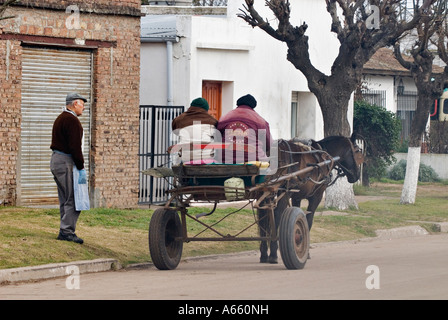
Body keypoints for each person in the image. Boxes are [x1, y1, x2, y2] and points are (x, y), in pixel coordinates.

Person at [50, 92, 87, 244]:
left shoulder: (61, 118)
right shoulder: (71, 120)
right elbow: (75, 147)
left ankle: (64, 229)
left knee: (65, 198)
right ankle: (66, 231)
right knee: (73, 198)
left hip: (57, 160)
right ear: (75, 103)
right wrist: (81, 166)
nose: (84, 107)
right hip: (66, 161)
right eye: (82, 104)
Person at [217, 94, 272, 164]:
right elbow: (268, 144)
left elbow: (217, 138)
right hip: (253, 160)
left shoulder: (224, 118)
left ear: (238, 104)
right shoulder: (260, 121)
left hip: (225, 159)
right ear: (253, 106)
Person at [171, 97, 218, 164]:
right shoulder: (212, 121)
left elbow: (175, 131)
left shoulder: (179, 119)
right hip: (207, 157)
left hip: (186, 157)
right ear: (206, 109)